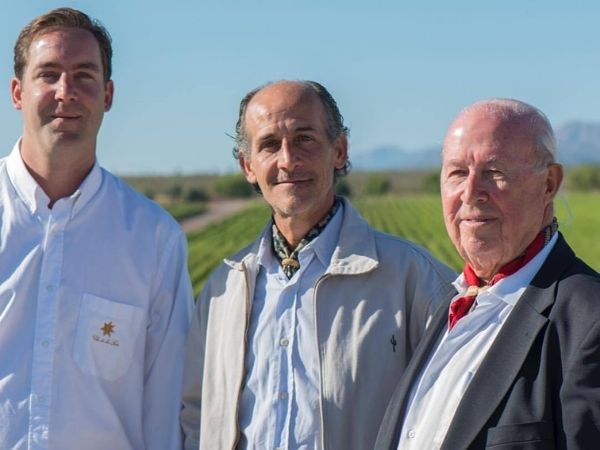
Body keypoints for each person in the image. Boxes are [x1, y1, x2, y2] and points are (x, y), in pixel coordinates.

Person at [180, 80, 456, 450]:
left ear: (339, 150)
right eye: (268, 145)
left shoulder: (416, 278)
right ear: (248, 166)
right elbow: (196, 416)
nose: (288, 160)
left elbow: (456, 409)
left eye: (305, 139)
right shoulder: (222, 289)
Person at [0, 8, 193, 449]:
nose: (65, 92)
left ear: (107, 94)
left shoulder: (154, 238)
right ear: (17, 92)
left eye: (83, 76)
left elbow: (164, 412)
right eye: (48, 74)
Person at [375, 99, 600, 450]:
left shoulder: (589, 320)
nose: (470, 193)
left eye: (495, 172)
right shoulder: (452, 304)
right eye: (457, 173)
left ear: (549, 184)